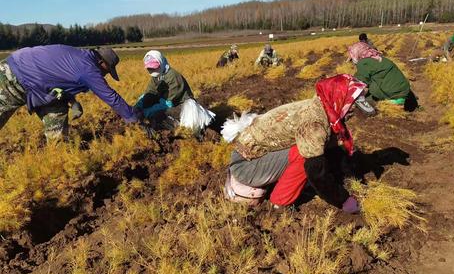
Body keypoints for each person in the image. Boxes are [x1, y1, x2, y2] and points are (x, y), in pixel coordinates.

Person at [223, 74, 366, 212]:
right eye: (351, 101)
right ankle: (279, 203)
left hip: (251, 158)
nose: (353, 108)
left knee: (317, 147)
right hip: (245, 167)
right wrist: (342, 200)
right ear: (339, 97)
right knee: (305, 154)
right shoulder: (315, 122)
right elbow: (316, 172)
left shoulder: (320, 106)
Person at [0, 44, 140, 141]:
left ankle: (57, 157)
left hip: (40, 86)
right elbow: (110, 96)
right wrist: (133, 118)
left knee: (58, 112)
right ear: (101, 62)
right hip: (14, 74)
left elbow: (60, 78)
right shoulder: (89, 68)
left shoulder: (82, 56)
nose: (104, 74)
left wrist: (72, 101)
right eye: (107, 70)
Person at [135, 50, 214, 133]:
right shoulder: (157, 76)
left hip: (181, 105)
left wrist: (147, 111)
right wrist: (138, 106)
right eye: (150, 68)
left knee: (158, 116)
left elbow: (168, 103)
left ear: (161, 62)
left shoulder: (173, 76)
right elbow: (150, 93)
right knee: (146, 105)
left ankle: (177, 130)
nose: (152, 70)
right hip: (166, 102)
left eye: (154, 67)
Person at [348, 42, 413, 107]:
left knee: (368, 94)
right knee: (374, 82)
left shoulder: (363, 62)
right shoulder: (378, 57)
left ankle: (389, 103)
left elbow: (360, 81)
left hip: (394, 95)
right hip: (405, 92)